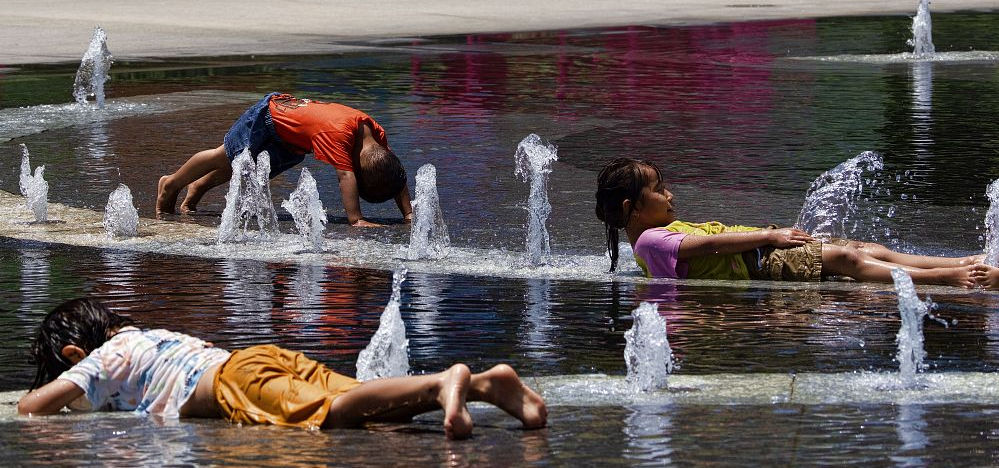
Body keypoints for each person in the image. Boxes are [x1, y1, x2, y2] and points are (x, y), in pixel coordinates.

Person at [18, 298, 548, 440]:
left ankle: (443, 381)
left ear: (73, 354)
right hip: (256, 357)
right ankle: (483, 385)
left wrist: (55, 389)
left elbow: (31, 408)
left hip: (235, 383)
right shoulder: (148, 336)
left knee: (333, 416)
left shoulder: (99, 358)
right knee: (376, 406)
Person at [595, 157, 993, 288]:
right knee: (846, 260)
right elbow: (709, 247)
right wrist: (770, 235)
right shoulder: (649, 243)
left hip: (762, 252)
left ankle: (957, 263)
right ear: (632, 207)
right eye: (659, 190)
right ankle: (948, 279)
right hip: (760, 263)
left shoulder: (655, 235)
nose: (670, 195)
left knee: (861, 249)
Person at [156, 93, 413, 227]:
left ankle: (197, 187)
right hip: (269, 116)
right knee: (225, 154)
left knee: (245, 169)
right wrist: (355, 219)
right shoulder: (339, 137)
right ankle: (172, 183)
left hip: (290, 138)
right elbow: (345, 176)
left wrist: (408, 214)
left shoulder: (376, 138)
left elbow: (395, 174)